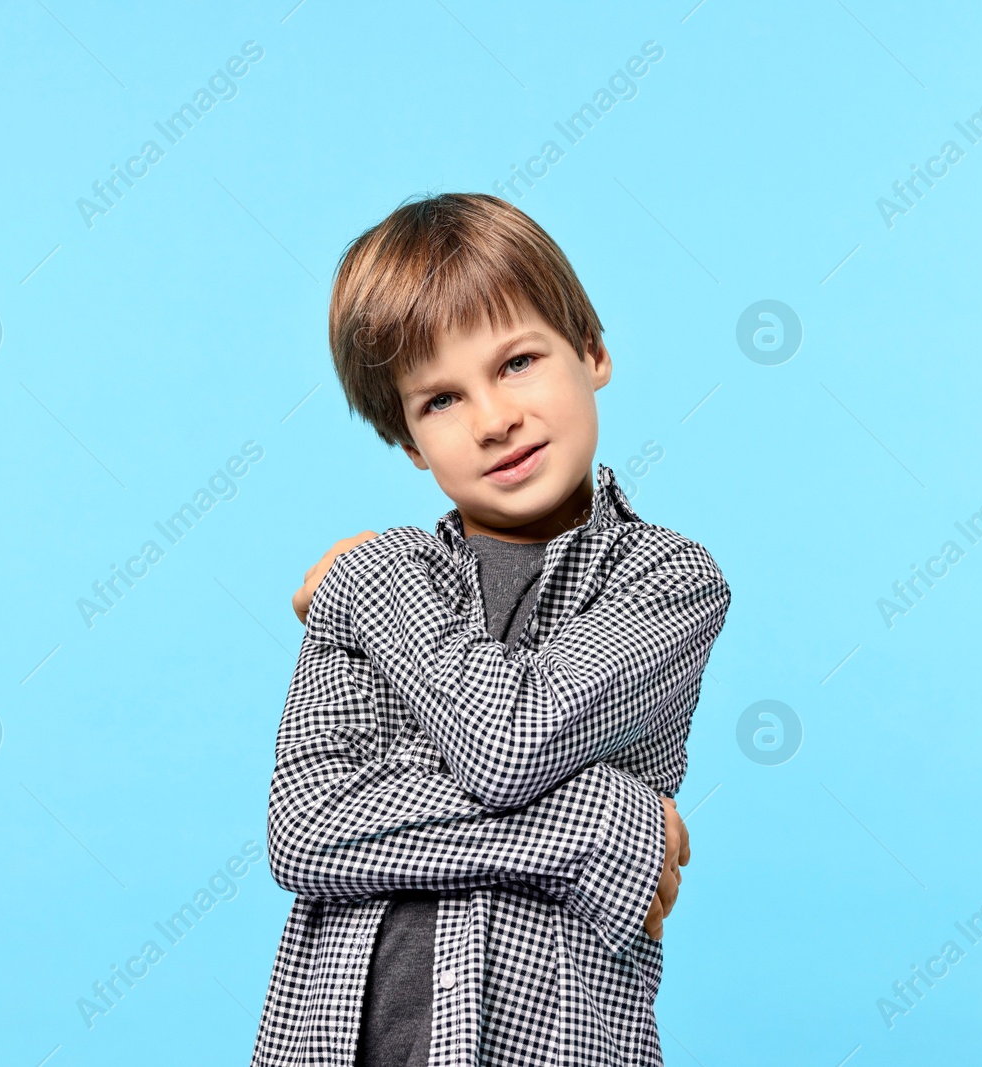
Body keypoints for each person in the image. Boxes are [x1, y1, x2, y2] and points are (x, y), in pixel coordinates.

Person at [249, 192, 732, 1067]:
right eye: (439, 399)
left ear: (593, 352)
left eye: (516, 362)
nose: (492, 418)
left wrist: (369, 587)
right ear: (408, 443)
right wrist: (606, 820)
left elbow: (509, 741)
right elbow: (307, 829)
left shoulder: (666, 579)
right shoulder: (380, 579)